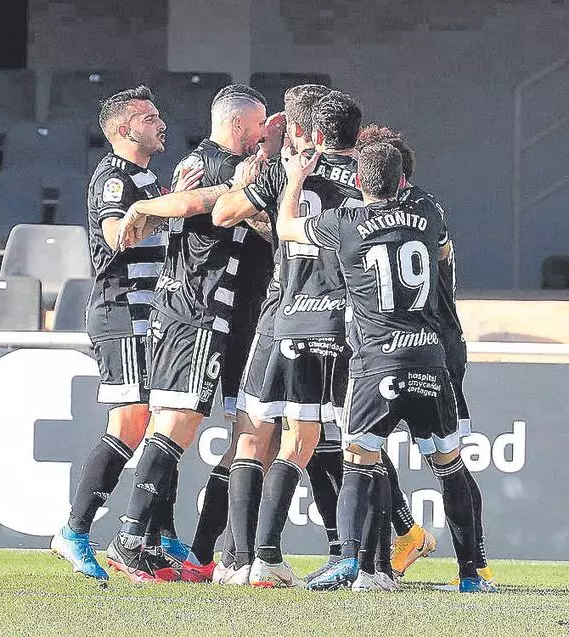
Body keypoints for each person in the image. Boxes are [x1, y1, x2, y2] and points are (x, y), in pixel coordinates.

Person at [51, 85, 256, 583]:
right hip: (122, 310)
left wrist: (163, 200)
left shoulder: (149, 178)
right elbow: (116, 236)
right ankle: (75, 530)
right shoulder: (114, 177)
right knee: (134, 422)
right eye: (149, 118)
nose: (161, 123)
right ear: (124, 129)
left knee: (163, 419)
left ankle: (157, 538)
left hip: (153, 313)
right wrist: (163, 205)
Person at [272, 141, 490, 592]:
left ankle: (354, 564)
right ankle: (472, 574)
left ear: (357, 181)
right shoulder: (428, 215)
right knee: (449, 465)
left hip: (376, 361)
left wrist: (294, 180)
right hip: (428, 355)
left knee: (358, 460)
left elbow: (286, 227)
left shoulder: (345, 222)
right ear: (402, 181)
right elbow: (444, 255)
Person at [104, 84, 274, 584]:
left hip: (234, 319)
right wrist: (148, 207)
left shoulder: (211, 166)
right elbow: (205, 204)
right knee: (176, 423)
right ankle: (131, 536)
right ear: (238, 124)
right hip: (198, 311)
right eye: (259, 124)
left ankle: (198, 553)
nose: (265, 133)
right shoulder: (218, 166)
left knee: (251, 434)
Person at [211, 86, 363, 588]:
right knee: (300, 441)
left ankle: (236, 560)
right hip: (329, 320)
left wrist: (252, 180)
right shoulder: (366, 182)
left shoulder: (286, 171)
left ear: (306, 130)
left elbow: (222, 214)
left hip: (277, 316)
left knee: (251, 435)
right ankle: (267, 557)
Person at [356, 125, 494, 590]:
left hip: (421, 346)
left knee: (427, 458)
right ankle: (438, 551)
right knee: (438, 458)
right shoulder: (428, 210)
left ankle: (463, 560)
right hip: (435, 346)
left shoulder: (395, 214)